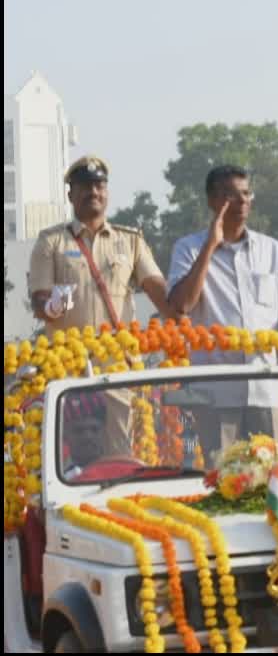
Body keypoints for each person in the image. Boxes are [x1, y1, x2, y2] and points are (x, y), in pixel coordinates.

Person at [167, 165, 278, 461]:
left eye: (246, 194)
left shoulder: (270, 250)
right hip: (216, 394)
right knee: (223, 479)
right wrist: (210, 245)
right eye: (231, 196)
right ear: (212, 201)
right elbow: (182, 305)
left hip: (266, 387)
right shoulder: (188, 249)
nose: (242, 202)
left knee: (274, 477)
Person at [30, 156, 172, 453]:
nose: (93, 192)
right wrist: (53, 305)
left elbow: (158, 289)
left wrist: (180, 312)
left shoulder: (130, 240)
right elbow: (39, 299)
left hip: (116, 362)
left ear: (107, 192)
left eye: (99, 186)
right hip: (67, 364)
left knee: (121, 446)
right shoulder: (51, 241)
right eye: (84, 186)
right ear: (70, 194)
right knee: (67, 450)